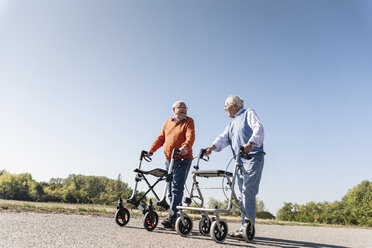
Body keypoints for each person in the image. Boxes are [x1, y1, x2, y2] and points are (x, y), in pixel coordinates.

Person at [205, 95, 265, 239]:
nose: (225, 109)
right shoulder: (232, 123)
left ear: (234, 105)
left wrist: (251, 144)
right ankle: (244, 227)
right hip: (239, 161)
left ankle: (247, 228)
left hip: (253, 157)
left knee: (247, 191)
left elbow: (259, 128)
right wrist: (212, 147)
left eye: (226, 106)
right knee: (242, 193)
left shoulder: (248, 113)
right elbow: (223, 138)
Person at [147, 100, 195, 229]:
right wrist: (151, 150)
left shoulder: (189, 121)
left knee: (176, 187)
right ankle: (175, 214)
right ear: (173, 110)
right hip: (169, 160)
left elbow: (190, 136)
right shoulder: (168, 122)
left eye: (185, 107)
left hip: (183, 159)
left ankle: (172, 217)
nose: (183, 109)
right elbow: (161, 138)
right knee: (169, 189)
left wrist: (185, 147)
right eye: (180, 107)